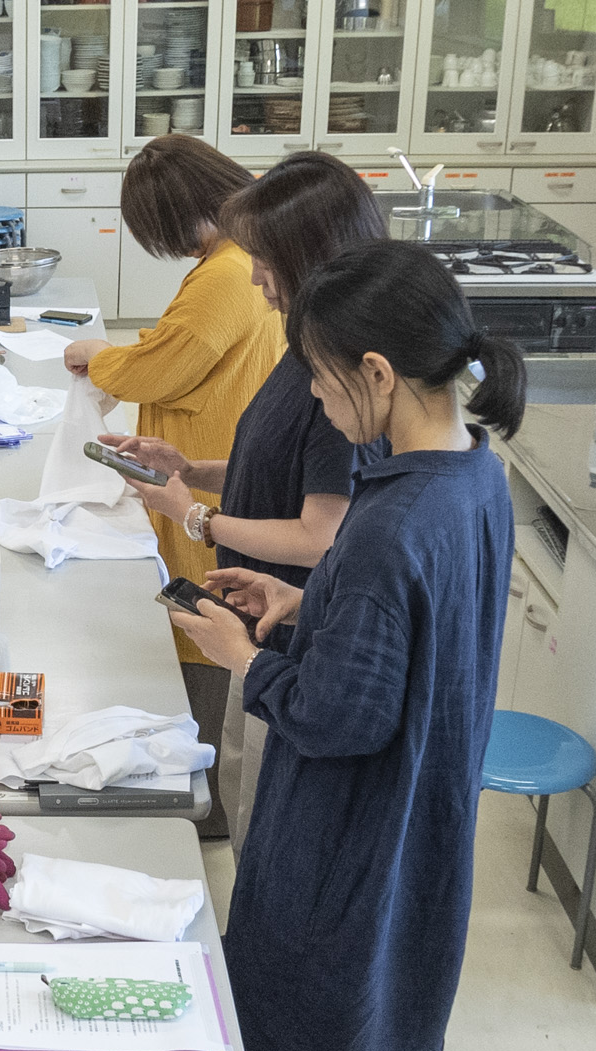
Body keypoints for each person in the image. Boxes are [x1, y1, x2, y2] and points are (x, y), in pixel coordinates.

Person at [166, 239, 520, 1051]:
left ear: (374, 373)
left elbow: (341, 716)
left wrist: (247, 657)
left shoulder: (386, 524)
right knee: (399, 994)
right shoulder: (472, 478)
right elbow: (410, 645)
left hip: (345, 823)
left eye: (322, 380)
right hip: (433, 806)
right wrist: (298, 607)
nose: (317, 405)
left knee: (299, 990)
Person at [94, 150, 383, 845]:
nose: (253, 276)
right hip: (265, 602)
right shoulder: (305, 347)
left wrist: (193, 513)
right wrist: (189, 466)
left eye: (265, 260)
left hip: (287, 619)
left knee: (264, 802)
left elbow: (321, 532)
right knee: (240, 775)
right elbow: (273, 462)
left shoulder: (345, 377)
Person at [58, 133, 273, 839]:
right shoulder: (238, 257)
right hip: (211, 463)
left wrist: (100, 356)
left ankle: (199, 798)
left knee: (208, 613)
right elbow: (181, 344)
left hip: (214, 482)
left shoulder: (229, 270)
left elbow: (165, 366)